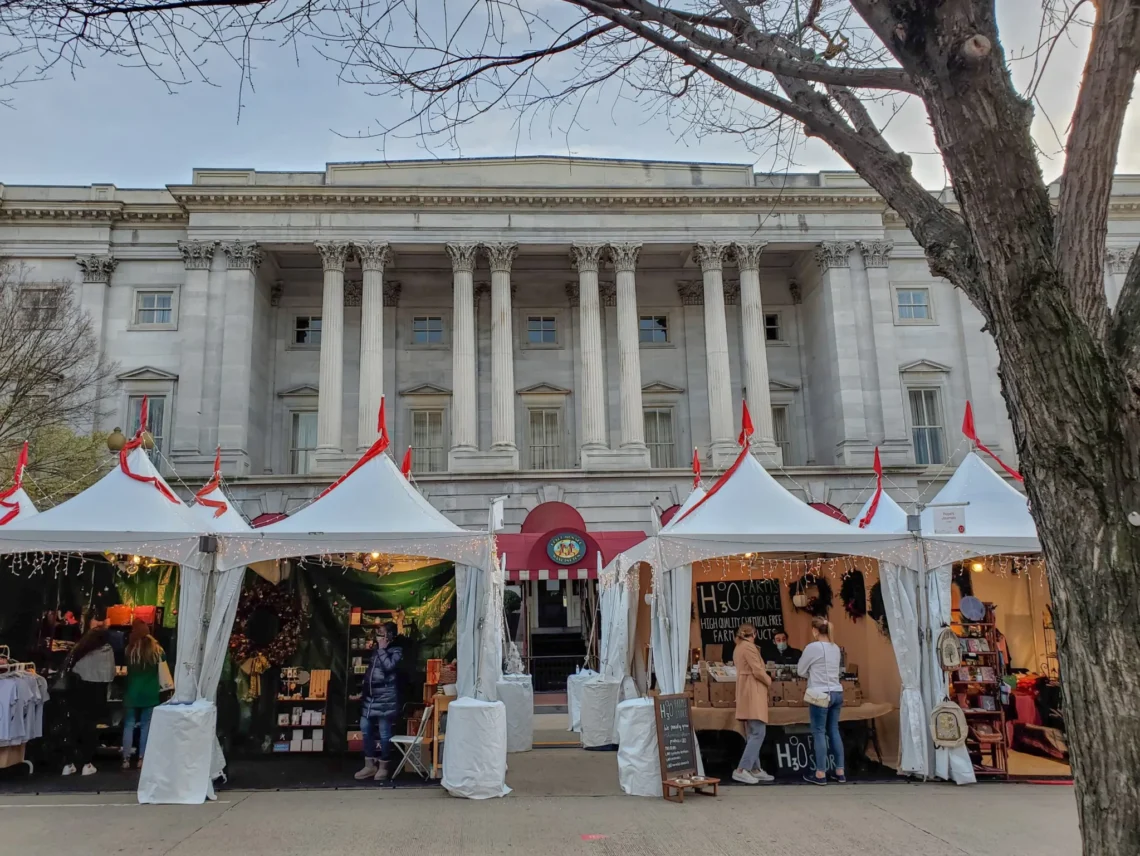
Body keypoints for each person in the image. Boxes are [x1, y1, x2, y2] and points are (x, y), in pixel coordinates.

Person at [61, 618, 116, 776]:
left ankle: (69, 763)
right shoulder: (107, 650)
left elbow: (70, 669)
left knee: (74, 727)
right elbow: (110, 674)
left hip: (77, 693)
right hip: (96, 694)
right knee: (90, 729)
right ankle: (87, 763)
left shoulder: (80, 649)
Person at [797, 616, 845, 784]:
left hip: (819, 692)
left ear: (815, 631)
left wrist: (812, 672)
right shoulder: (836, 648)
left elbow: (801, 670)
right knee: (834, 730)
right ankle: (840, 770)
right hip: (837, 691)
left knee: (819, 732)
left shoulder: (812, 647)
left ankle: (820, 773)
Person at [354, 622, 403, 781]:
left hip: (386, 698)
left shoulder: (397, 650)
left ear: (389, 635)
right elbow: (370, 674)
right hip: (370, 698)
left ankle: (384, 766)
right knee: (365, 728)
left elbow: (389, 667)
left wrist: (382, 649)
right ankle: (369, 765)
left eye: (381, 633)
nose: (378, 637)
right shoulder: (376, 651)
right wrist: (362, 692)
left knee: (384, 733)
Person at [121, 619, 166, 770]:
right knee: (146, 726)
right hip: (150, 693)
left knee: (128, 725)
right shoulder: (157, 650)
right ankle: (142, 758)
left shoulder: (129, 650)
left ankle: (126, 759)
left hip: (132, 692)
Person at [732, 623, 774, 785]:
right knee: (758, 732)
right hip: (752, 691)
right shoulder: (749, 648)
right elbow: (757, 670)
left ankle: (755, 768)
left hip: (746, 690)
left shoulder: (739, 647)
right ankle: (742, 769)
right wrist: (769, 680)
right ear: (754, 634)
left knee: (752, 732)